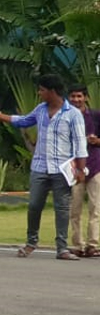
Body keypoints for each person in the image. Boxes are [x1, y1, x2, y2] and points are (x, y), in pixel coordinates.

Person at [0, 74, 88, 260]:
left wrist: (80, 169)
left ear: (52, 91)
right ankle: (31, 242)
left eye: (42, 90)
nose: (39, 93)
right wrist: (0, 116)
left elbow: (80, 143)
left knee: (62, 208)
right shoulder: (41, 110)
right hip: (40, 166)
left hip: (62, 168)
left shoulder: (73, 114)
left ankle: (62, 248)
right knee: (34, 205)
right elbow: (24, 120)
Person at [67, 85, 100, 257]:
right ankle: (78, 245)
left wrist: (96, 141)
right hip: (74, 167)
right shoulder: (65, 117)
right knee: (75, 209)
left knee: (96, 208)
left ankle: (93, 244)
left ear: (85, 97)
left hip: (95, 165)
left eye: (79, 96)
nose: (76, 99)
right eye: (73, 96)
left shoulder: (95, 116)